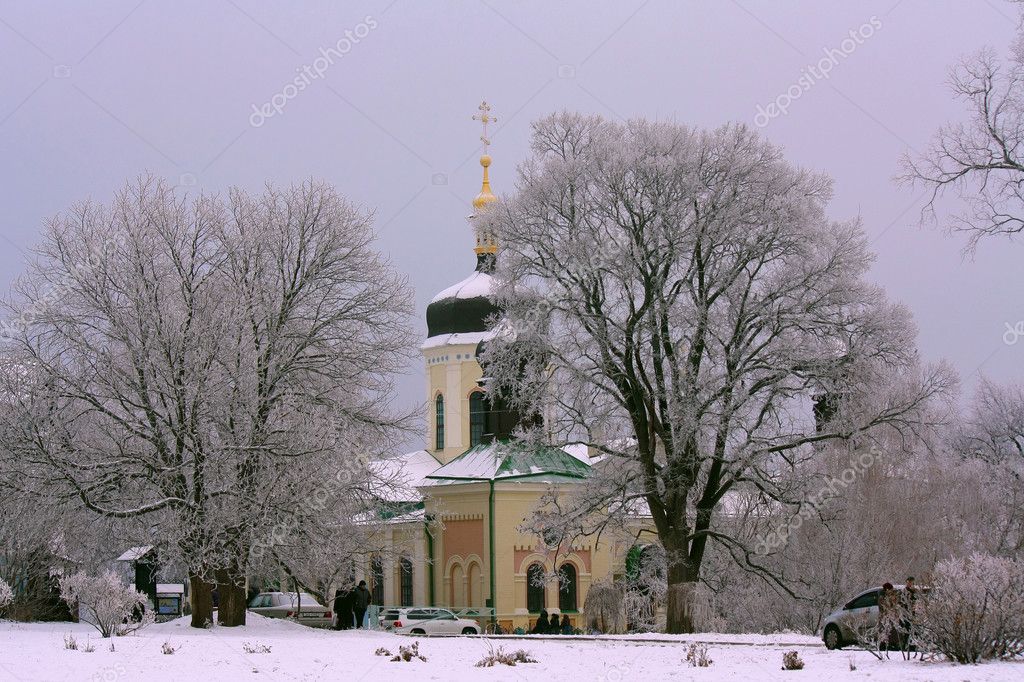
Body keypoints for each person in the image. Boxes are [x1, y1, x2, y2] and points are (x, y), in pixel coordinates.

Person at [877, 583, 901, 651]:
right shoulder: (882, 597)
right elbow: (884, 607)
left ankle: (891, 644)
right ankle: (884, 645)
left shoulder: (890, 595)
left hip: (890, 617)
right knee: (885, 631)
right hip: (885, 617)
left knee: (891, 631)